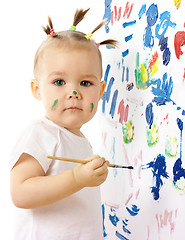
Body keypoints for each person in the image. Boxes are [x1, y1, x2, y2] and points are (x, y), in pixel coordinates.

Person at [9, 8, 117, 240]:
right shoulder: (41, 133)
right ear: (37, 89)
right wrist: (78, 178)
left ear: (100, 92)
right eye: (59, 81)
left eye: (86, 83)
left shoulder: (80, 141)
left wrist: (91, 174)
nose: (74, 92)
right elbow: (20, 193)